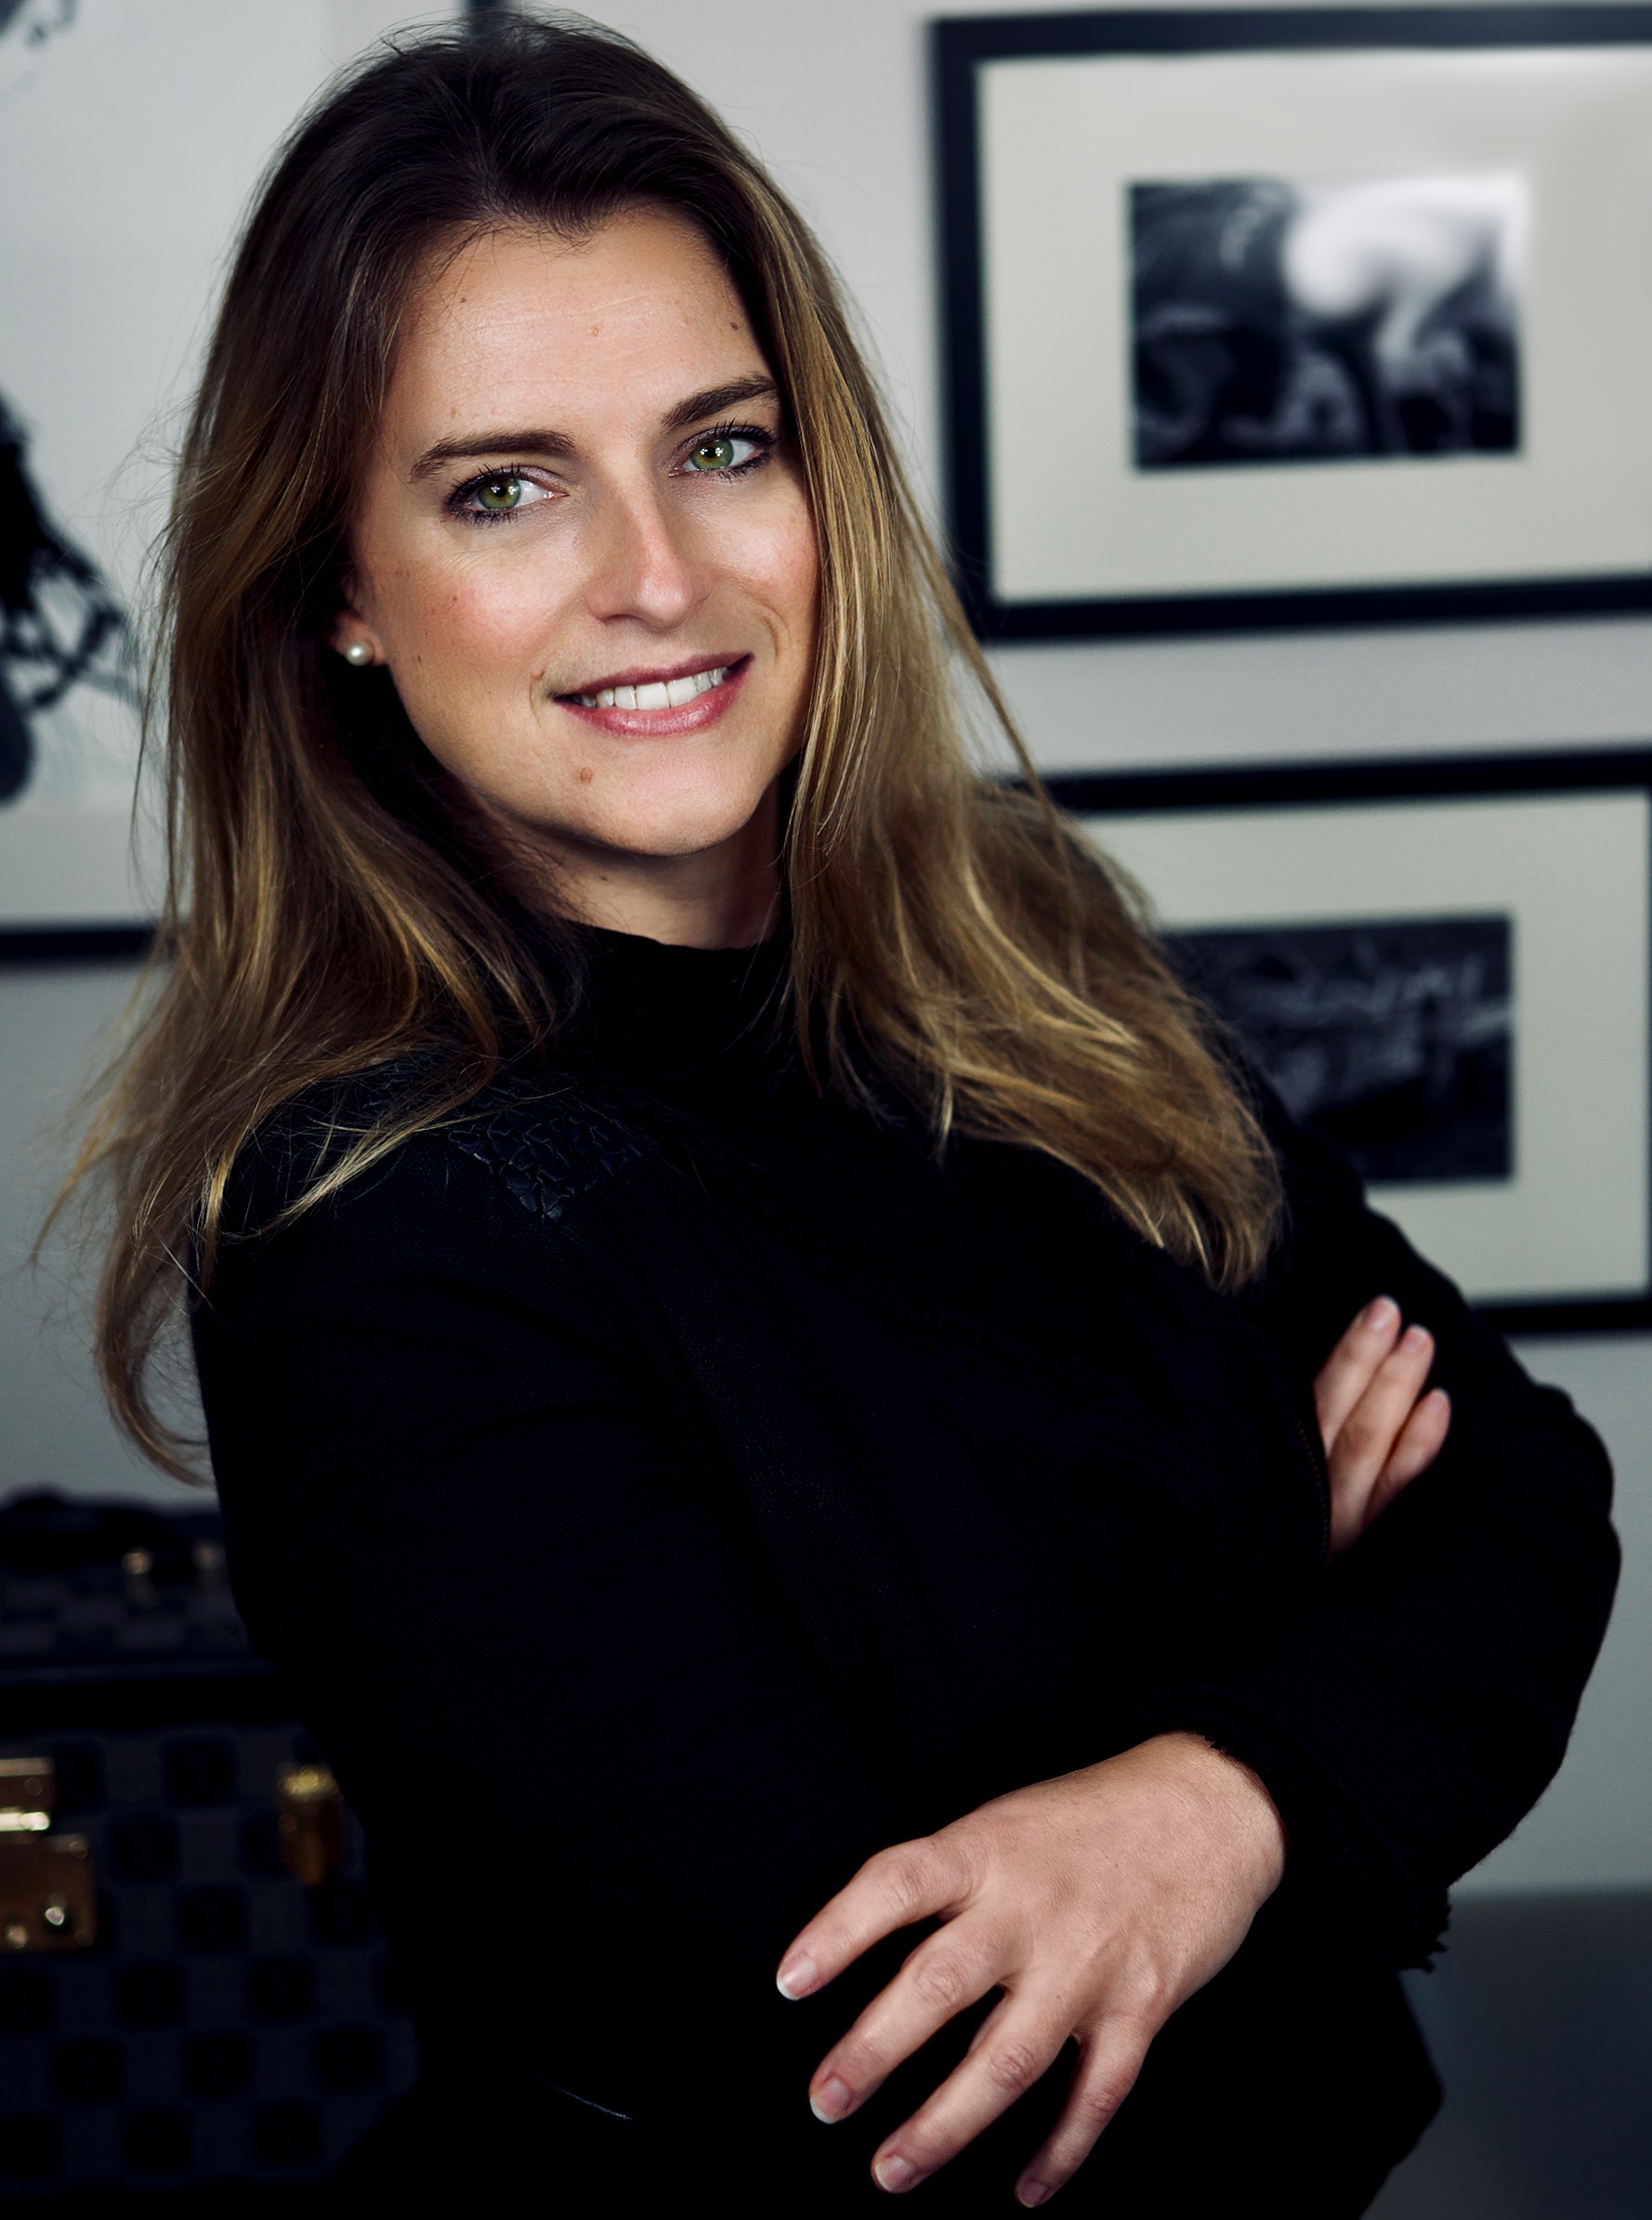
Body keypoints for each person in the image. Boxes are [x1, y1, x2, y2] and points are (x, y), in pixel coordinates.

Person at [63, 18, 1617, 2213]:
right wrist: (1288, 1590)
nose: (657, 575)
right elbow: (897, 2076)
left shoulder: (1028, 939)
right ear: (336, 587)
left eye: (722, 446)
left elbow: (1530, 1497)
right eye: (504, 486)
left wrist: (1198, 1805)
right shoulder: (370, 1227)